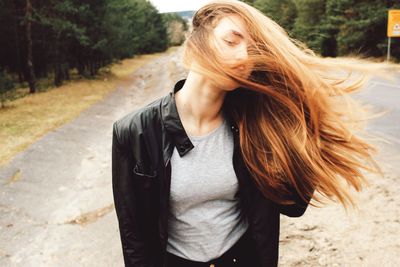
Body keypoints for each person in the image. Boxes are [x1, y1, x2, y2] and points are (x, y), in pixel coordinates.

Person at [112, 1, 394, 266]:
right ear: (197, 45)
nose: (243, 56)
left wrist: (306, 124)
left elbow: (294, 205)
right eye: (232, 41)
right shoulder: (135, 132)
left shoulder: (255, 123)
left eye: (252, 49)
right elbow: (135, 237)